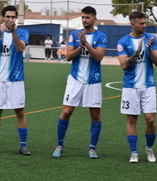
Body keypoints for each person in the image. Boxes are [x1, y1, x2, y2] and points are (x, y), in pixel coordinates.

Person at [52, 6, 107, 159]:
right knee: (66, 112)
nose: (84, 20)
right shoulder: (74, 35)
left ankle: (92, 149)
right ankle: (59, 145)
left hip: (93, 81)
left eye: (87, 17)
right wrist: (80, 46)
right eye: (83, 17)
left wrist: (87, 44)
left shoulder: (101, 36)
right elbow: (68, 56)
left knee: (95, 114)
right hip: (75, 79)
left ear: (94, 19)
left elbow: (99, 57)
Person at [0, 5, 31, 156]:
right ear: (2, 17)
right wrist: (0, 34)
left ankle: (23, 146)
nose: (10, 19)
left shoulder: (23, 32)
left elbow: (21, 48)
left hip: (16, 79)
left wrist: (13, 31)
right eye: (7, 17)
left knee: (20, 112)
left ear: (16, 18)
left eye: (13, 17)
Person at [117, 11, 157, 163]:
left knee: (150, 119)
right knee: (131, 119)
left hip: (148, 85)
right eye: (141, 23)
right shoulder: (123, 41)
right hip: (130, 86)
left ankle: (149, 149)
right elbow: (123, 65)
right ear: (132, 24)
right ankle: (134, 152)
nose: (144, 26)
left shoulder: (151, 39)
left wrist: (148, 49)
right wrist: (137, 51)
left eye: (145, 23)